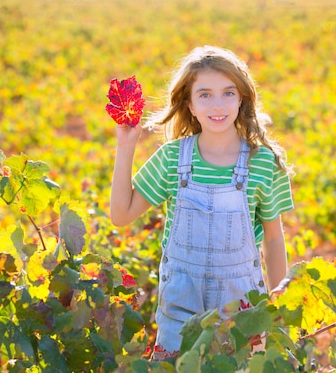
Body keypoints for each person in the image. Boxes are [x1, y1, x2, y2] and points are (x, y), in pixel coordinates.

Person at [110, 45, 294, 356]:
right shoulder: (172, 157)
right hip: (180, 306)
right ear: (190, 105)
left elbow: (274, 240)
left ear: (242, 100)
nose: (217, 104)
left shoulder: (263, 162)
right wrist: (125, 147)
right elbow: (121, 215)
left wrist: (278, 306)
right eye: (205, 94)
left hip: (242, 307)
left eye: (228, 93)